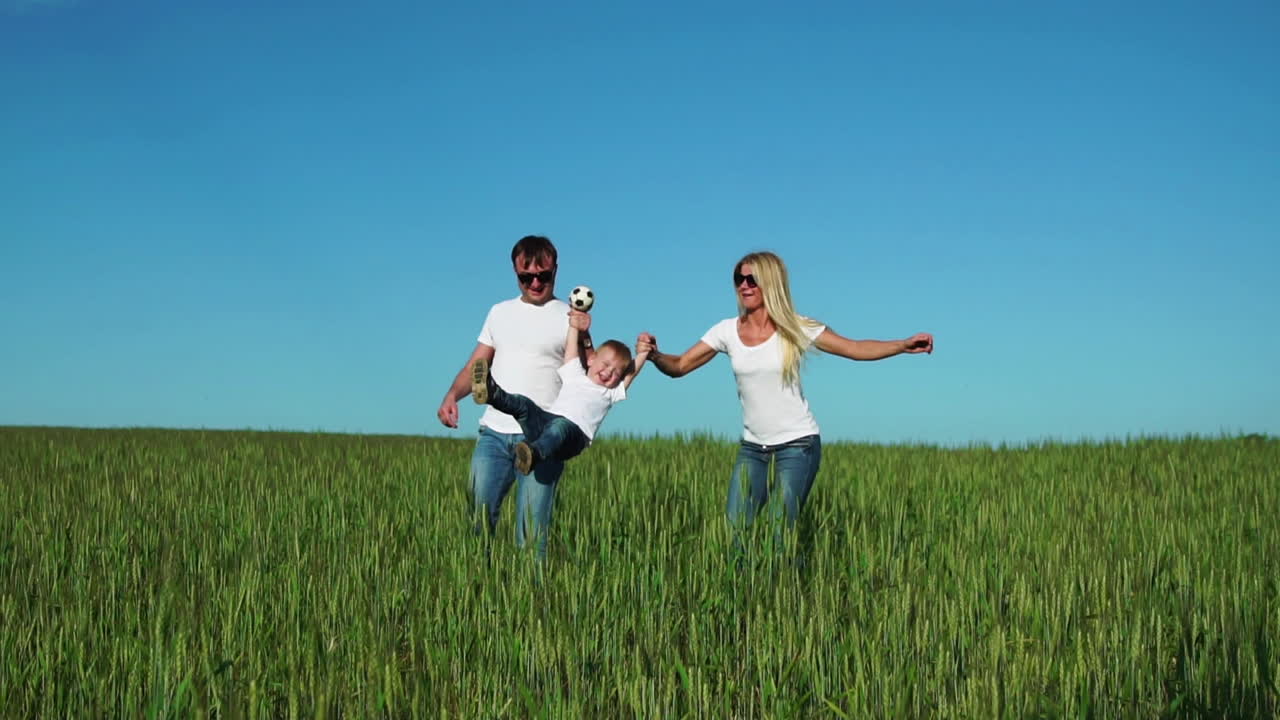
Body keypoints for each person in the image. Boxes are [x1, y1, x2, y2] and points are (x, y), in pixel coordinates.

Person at [637, 250, 933, 550]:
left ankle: (787, 590)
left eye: (752, 279)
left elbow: (854, 348)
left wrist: (902, 345)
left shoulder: (796, 327)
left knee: (780, 534)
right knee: (736, 531)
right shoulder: (726, 331)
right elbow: (680, 366)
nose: (744, 285)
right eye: (739, 279)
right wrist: (655, 355)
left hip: (798, 446)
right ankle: (746, 596)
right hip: (753, 449)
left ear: (771, 282)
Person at [436, 235, 593, 555]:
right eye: (526, 277)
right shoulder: (499, 313)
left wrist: (586, 337)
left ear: (556, 271)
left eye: (543, 276)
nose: (535, 283)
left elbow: (587, 377)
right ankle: (477, 593)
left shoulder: (570, 317)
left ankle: (532, 601)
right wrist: (452, 395)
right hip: (493, 434)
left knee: (531, 535)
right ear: (515, 273)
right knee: (477, 521)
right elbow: (477, 363)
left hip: (542, 438)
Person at [470, 310, 648, 474]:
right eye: (606, 364)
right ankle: (492, 393)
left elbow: (631, 373)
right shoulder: (575, 375)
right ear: (592, 359)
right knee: (524, 404)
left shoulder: (610, 393)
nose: (609, 372)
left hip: (573, 437)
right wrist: (573, 327)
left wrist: (643, 354)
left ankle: (533, 454)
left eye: (616, 372)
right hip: (545, 424)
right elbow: (571, 349)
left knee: (560, 427)